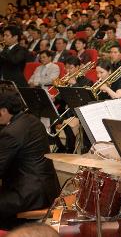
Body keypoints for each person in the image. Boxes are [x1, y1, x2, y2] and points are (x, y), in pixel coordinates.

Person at [0, 92, 60, 230]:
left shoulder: (11, 132)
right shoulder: (32, 120)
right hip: (47, 189)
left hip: (28, 195)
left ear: (3, 110)